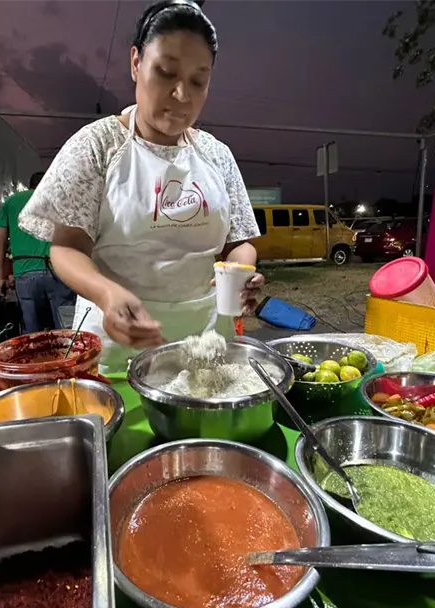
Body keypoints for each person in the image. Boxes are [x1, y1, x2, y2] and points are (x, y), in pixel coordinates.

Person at [19, 0, 263, 373]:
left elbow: (239, 241)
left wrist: (241, 275)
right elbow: (67, 248)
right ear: (136, 63)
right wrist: (106, 293)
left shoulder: (216, 155)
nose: (183, 95)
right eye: (166, 73)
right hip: (119, 341)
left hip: (208, 340)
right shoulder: (97, 145)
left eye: (199, 81)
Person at [0, 172, 75, 332]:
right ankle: (69, 355)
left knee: (32, 331)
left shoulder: (11, 202)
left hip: (25, 273)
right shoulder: (59, 200)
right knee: (67, 329)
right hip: (58, 271)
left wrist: (0, 277)